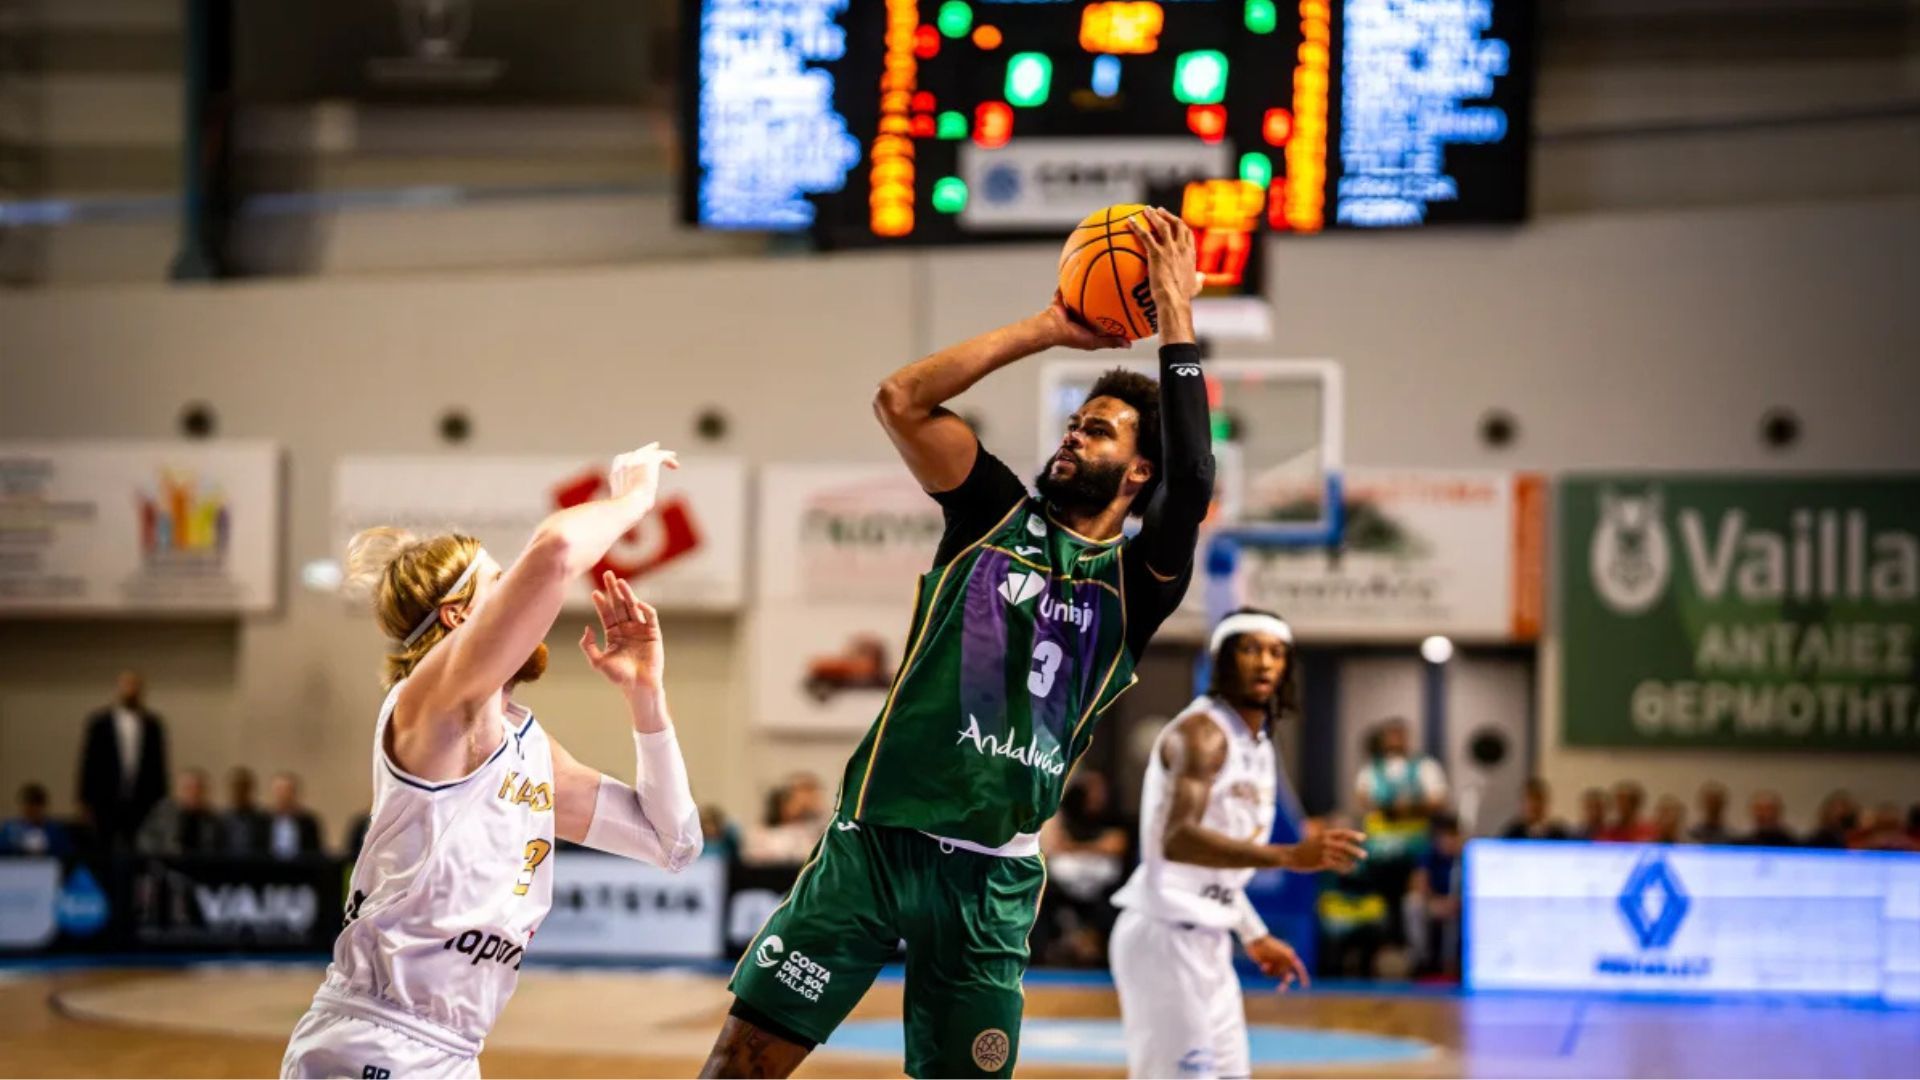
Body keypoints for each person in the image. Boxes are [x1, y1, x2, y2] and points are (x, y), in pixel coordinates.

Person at [706, 209, 1213, 1079]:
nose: (1073, 434)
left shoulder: (1137, 586)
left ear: (1138, 473)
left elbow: (1194, 479)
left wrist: (1175, 314)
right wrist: (1048, 327)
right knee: (740, 1065)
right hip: (874, 846)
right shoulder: (991, 515)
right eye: (1073, 422)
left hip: (989, 881)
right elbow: (899, 400)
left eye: (1097, 430)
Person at [282, 442, 704, 1079]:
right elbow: (556, 552)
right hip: (376, 1040)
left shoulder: (526, 748)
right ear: (458, 616)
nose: (519, 593)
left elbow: (674, 843)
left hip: (454, 1050)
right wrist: (636, 498)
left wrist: (646, 697)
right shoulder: (432, 702)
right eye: (501, 583)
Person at [1109, 610, 1364, 1079]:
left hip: (1210, 938)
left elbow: (1217, 873)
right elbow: (1177, 839)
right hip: (1165, 936)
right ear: (1222, 661)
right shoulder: (1201, 733)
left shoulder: (1259, 745)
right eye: (1249, 649)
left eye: (1276, 652)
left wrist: (1254, 933)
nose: (1264, 663)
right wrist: (1289, 855)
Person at [1035, 772, 1129, 967]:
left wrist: (1074, 847)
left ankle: (1101, 952)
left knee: (1113, 907)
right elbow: (1054, 846)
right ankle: (1043, 953)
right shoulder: (1065, 814)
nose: (1097, 796)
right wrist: (1092, 847)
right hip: (1062, 884)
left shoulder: (1112, 817)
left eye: (1101, 791)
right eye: (1091, 791)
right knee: (1041, 896)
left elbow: (1116, 844)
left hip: (1102, 886)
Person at [77, 670, 170, 851]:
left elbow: (159, 766)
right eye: (126, 685)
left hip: (142, 800)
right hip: (105, 798)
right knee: (103, 848)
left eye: (135, 685)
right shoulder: (100, 723)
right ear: (118, 689)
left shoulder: (152, 724)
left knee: (139, 847)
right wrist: (84, 800)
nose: (130, 690)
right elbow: (89, 763)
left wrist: (161, 801)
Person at [1404, 813, 1463, 979]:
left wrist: (1456, 903)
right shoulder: (1428, 855)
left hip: (1458, 905)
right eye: (1445, 836)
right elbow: (1419, 883)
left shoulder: (1464, 858)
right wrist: (1436, 901)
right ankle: (1421, 960)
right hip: (1434, 903)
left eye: (1453, 836)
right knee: (1413, 904)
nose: (1449, 841)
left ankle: (1454, 963)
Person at [743, 773, 830, 865]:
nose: (804, 800)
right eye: (797, 794)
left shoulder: (820, 831)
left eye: (811, 793)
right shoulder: (762, 834)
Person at [136, 768, 218, 856]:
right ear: (179, 790)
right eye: (188, 788)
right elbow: (144, 841)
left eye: (198, 788)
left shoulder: (211, 819)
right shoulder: (163, 813)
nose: (194, 793)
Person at [1, 783, 75, 857]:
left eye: (35, 806)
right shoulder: (11, 829)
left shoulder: (54, 830)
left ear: (42, 807)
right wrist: (18, 844)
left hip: (47, 863)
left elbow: (68, 853)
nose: (32, 810)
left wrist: (46, 846)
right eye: (28, 806)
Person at [265, 773, 324, 860]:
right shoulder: (265, 821)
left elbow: (315, 851)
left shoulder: (308, 822)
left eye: (287, 790)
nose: (283, 794)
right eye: (279, 790)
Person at [219, 767, 273, 855]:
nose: (239, 792)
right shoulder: (221, 821)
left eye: (243, 788)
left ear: (250, 790)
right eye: (236, 788)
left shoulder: (263, 820)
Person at [1500, 778, 1569, 840]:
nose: (1534, 805)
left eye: (1538, 799)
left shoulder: (1558, 835)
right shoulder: (1512, 834)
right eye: (1530, 800)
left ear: (1545, 802)